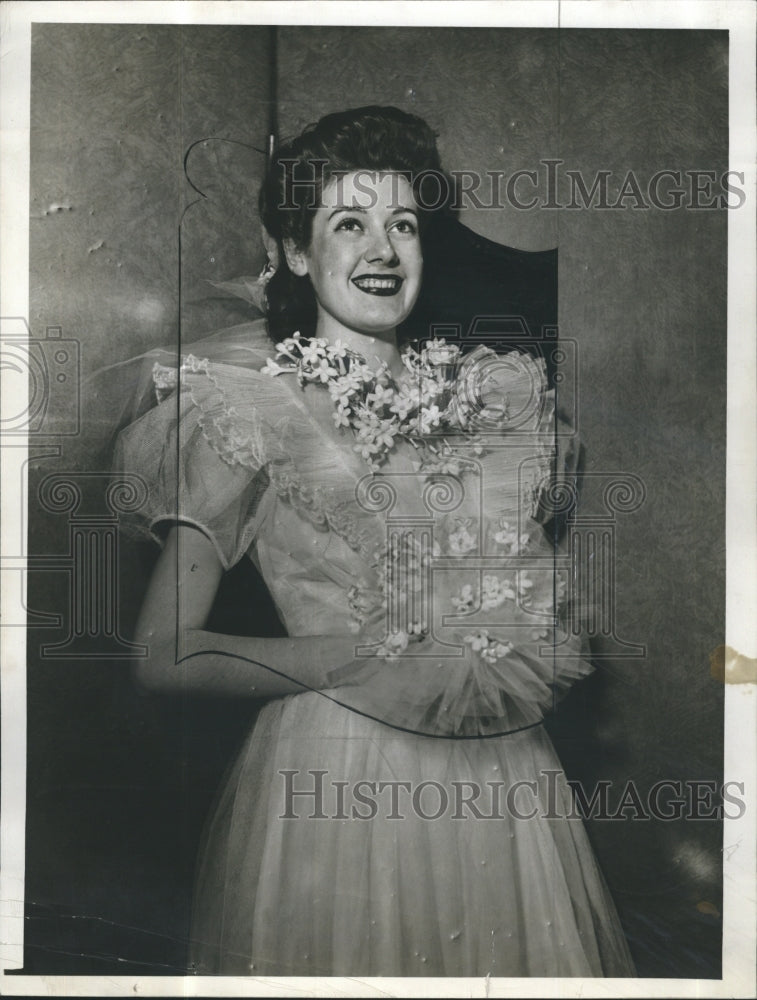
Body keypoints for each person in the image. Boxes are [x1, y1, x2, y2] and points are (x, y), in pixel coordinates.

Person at [115, 106, 636, 977]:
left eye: (403, 224)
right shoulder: (247, 412)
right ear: (292, 251)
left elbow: (516, 588)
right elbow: (161, 654)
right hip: (340, 772)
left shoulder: (493, 395)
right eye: (347, 224)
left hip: (501, 777)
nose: (383, 250)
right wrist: (353, 658)